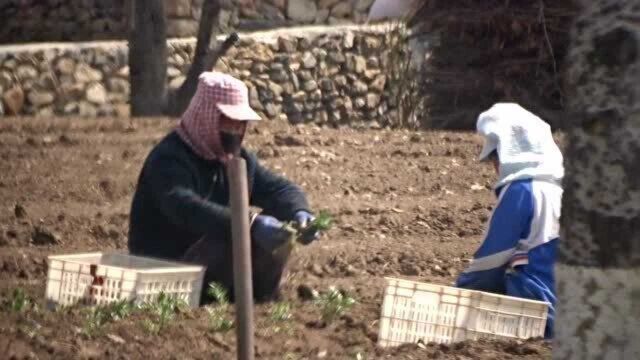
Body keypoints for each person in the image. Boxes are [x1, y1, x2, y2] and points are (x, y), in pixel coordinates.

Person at [127, 71, 319, 303]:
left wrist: (300, 212)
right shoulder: (169, 158)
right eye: (229, 121)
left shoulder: (239, 160)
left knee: (278, 235)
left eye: (241, 123)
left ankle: (261, 300)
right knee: (233, 234)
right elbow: (186, 208)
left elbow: (279, 189)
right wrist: (250, 224)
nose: (237, 130)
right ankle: (215, 301)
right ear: (206, 117)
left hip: (210, 264)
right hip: (167, 268)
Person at [455, 102, 563, 339]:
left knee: (506, 277)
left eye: (495, 159)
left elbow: (489, 263)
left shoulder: (522, 190)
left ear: (505, 155)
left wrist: (457, 292)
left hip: (543, 315)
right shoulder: (561, 189)